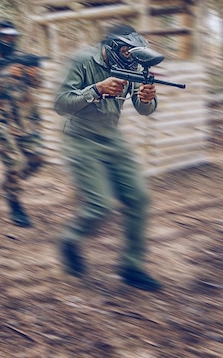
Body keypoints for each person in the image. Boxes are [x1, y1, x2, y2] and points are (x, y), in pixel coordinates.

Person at [53, 23, 162, 291]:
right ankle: (70, 239)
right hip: (80, 138)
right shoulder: (81, 61)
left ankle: (132, 266)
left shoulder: (133, 67)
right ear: (113, 47)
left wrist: (147, 97)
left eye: (133, 52)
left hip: (112, 138)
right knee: (100, 205)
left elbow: (144, 109)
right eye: (126, 51)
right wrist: (97, 90)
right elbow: (61, 103)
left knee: (139, 197)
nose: (130, 56)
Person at [0, 20, 45, 227]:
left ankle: (10, 183)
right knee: (14, 163)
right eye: (5, 37)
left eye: (12, 37)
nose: (10, 41)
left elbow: (39, 84)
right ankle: (15, 204)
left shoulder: (23, 58)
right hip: (1, 121)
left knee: (38, 159)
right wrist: (6, 74)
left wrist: (32, 74)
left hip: (26, 120)